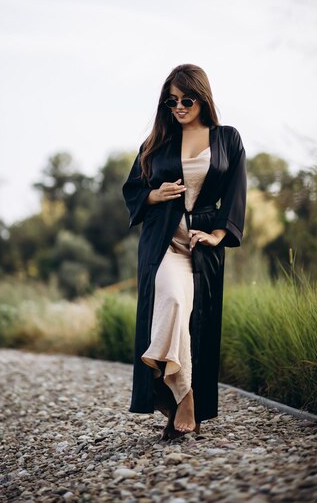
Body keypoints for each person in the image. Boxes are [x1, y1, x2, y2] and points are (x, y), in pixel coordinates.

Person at [122, 63, 247, 440]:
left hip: (203, 246)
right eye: (171, 100)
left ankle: (174, 394)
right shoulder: (155, 143)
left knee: (196, 324)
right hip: (163, 244)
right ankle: (185, 396)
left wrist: (219, 233)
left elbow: (237, 191)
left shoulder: (227, 138)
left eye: (186, 99)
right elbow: (132, 190)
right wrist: (154, 195)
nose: (178, 106)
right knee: (174, 302)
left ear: (202, 97)